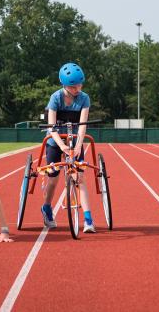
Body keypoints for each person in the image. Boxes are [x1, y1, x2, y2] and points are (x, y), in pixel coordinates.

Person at [41, 62, 96, 233]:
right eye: (73, 87)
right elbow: (51, 126)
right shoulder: (55, 98)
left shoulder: (84, 98)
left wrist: (78, 145)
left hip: (74, 140)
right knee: (53, 177)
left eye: (80, 85)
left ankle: (88, 219)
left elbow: (82, 126)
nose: (77, 89)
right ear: (64, 85)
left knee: (80, 177)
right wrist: (62, 146)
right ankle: (47, 208)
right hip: (55, 140)